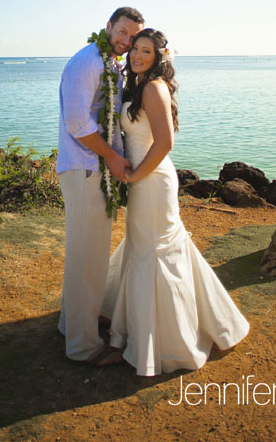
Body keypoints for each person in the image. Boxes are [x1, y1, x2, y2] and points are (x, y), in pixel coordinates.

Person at [100, 29, 249, 375]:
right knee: (142, 250)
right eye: (135, 49)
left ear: (158, 57)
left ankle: (155, 341)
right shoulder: (137, 85)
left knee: (153, 254)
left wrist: (135, 177)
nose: (136, 55)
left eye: (145, 52)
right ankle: (126, 334)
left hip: (152, 182)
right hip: (142, 180)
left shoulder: (153, 88)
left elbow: (164, 143)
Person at [57, 6, 144, 364]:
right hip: (85, 168)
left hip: (94, 169)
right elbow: (78, 121)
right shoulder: (88, 62)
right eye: (122, 31)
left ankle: (71, 325)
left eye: (132, 36)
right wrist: (111, 156)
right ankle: (82, 346)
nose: (125, 40)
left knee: (88, 254)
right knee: (86, 259)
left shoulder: (109, 63)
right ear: (108, 26)